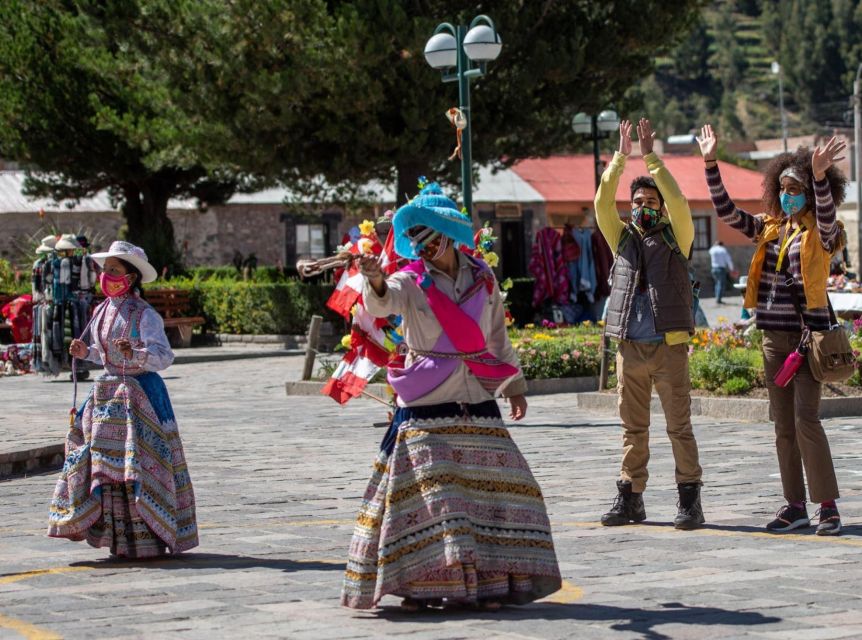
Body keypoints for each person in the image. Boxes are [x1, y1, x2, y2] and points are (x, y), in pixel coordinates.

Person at [341, 182, 561, 611]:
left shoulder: (482, 278)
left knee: (506, 489)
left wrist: (513, 383)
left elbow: (497, 334)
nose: (425, 249)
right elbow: (385, 303)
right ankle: (418, 586)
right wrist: (374, 281)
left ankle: (491, 583)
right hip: (425, 406)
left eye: (432, 239)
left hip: (476, 398)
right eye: (418, 242)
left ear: (449, 236)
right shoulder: (411, 280)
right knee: (436, 501)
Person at [699, 124, 847, 535]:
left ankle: (828, 507)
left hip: (808, 340)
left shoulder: (821, 232)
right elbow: (727, 212)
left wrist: (817, 176)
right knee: (782, 426)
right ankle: (794, 505)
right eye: (782, 187)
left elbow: (829, 218)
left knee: (806, 421)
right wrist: (711, 162)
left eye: (794, 187)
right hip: (772, 340)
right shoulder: (768, 227)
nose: (787, 194)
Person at [48, 241, 199, 557]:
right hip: (107, 396)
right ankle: (120, 536)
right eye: (105, 270)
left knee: (139, 464)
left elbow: (163, 356)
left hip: (140, 396)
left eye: (114, 271)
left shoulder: (145, 315)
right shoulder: (101, 310)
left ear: (130, 278)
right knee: (106, 466)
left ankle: (149, 535)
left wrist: (138, 354)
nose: (107, 276)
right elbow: (105, 356)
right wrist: (86, 352)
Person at [594, 118, 704, 530]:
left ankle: (689, 500)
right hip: (630, 349)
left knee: (679, 426)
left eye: (650, 201)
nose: (644, 206)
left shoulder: (679, 236)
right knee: (632, 428)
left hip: (668, 346)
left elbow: (678, 199)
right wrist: (621, 156)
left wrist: (651, 158)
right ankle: (630, 498)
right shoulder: (620, 237)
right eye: (637, 200)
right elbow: (602, 202)